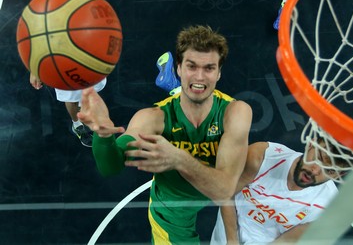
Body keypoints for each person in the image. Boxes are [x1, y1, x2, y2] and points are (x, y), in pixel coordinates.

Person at [78, 25, 253, 244]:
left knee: (195, 90)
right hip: (172, 207)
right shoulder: (154, 118)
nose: (200, 75)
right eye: (191, 66)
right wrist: (102, 136)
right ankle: (177, 89)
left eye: (209, 68)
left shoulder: (234, 112)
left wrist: (178, 158)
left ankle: (177, 89)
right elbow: (110, 167)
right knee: (195, 90)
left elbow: (224, 190)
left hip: (218, 188)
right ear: (178, 68)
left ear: (219, 72)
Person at [29, 0, 106, 147]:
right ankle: (77, 124)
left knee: (92, 91)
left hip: (90, 55)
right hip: (62, 59)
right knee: (71, 98)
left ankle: (91, 114)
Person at [210, 139, 353, 244]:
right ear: (311, 143)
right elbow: (226, 194)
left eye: (329, 171)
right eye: (318, 158)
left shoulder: (328, 207)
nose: (315, 170)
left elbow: (287, 241)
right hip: (227, 232)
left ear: (338, 176)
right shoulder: (261, 157)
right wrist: (232, 240)